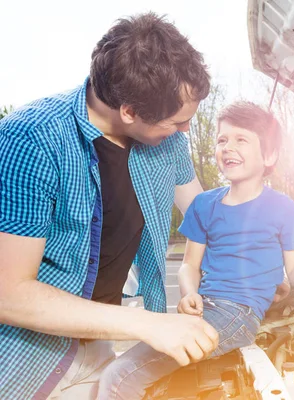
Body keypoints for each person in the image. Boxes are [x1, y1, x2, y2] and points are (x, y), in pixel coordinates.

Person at [0, 13, 220, 400]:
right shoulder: (31, 139)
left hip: (102, 340)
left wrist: (279, 262)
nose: (186, 130)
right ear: (130, 112)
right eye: (176, 122)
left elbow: (206, 218)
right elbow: (9, 292)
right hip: (28, 357)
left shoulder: (167, 142)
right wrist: (146, 324)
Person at [98, 101, 294, 399]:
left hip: (237, 314)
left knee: (120, 376)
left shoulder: (282, 207)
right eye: (222, 140)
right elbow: (189, 266)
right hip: (203, 309)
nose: (228, 147)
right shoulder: (204, 205)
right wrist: (189, 293)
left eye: (241, 139)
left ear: (269, 155)